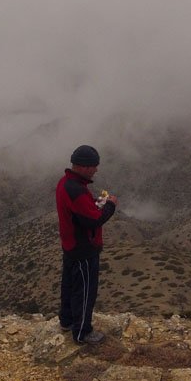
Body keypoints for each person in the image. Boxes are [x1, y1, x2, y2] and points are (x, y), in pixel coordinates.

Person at [56, 144, 117, 344]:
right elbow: (94, 220)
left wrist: (95, 204)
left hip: (70, 246)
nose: (96, 170)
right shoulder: (77, 190)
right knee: (84, 292)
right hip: (84, 249)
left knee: (69, 286)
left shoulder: (65, 183)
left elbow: (80, 213)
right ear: (83, 166)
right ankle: (82, 332)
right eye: (93, 166)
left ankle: (66, 321)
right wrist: (110, 205)